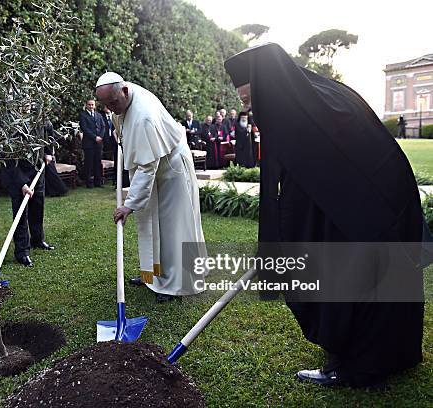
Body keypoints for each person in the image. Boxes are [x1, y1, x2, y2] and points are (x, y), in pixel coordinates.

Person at [225, 43, 426, 388]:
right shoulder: (312, 100)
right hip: (377, 208)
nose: (249, 110)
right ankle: (392, 354)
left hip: (371, 214)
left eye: (248, 100)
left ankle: (356, 366)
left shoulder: (308, 115)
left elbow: (307, 196)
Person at [95, 72, 207, 303]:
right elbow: (123, 128)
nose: (111, 109)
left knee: (173, 230)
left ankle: (174, 285)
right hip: (156, 167)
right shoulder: (124, 100)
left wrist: (129, 205)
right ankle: (154, 275)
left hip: (172, 171)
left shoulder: (143, 117)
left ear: (124, 91)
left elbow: (146, 167)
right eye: (106, 105)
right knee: (151, 226)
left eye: (113, 103)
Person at [0, 150, 56, 268]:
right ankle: (22, 252)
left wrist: (48, 153)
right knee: (20, 216)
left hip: (37, 171)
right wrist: (22, 183)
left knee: (37, 209)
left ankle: (38, 240)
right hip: (17, 174)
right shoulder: (10, 133)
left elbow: (46, 133)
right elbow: (7, 158)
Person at [78, 99, 105, 188]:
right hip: (89, 143)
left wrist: (100, 136)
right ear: (86, 105)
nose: (91, 106)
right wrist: (95, 137)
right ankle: (89, 182)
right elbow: (85, 128)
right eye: (89, 105)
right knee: (89, 163)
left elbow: (103, 126)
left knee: (98, 162)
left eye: (92, 105)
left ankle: (98, 182)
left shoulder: (99, 115)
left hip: (98, 143)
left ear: (95, 105)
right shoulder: (83, 115)